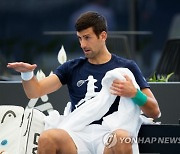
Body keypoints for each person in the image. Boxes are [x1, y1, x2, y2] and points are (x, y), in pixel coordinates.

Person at [7, 11, 160, 154]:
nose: (83, 45)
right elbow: (35, 92)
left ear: (103, 36)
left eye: (87, 37)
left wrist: (134, 93)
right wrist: (27, 74)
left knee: (122, 137)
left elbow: (154, 111)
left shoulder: (126, 67)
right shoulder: (72, 67)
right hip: (77, 133)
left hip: (108, 134)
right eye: (80, 38)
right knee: (48, 138)